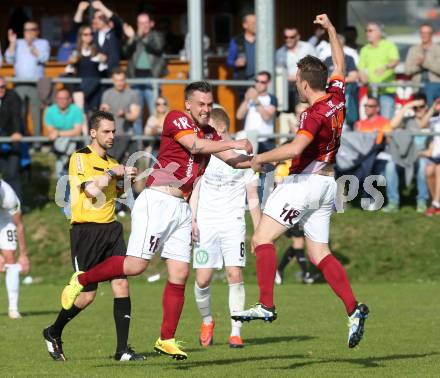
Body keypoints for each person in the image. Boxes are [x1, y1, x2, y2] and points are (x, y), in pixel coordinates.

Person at [59, 81, 253, 361]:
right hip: (157, 201)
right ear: (188, 104)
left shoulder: (210, 132)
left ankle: (166, 338)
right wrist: (234, 140)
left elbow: (235, 161)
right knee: (137, 265)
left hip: (182, 208)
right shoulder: (176, 117)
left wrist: (262, 159)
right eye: (201, 103)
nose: (206, 109)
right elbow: (195, 145)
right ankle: (82, 279)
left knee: (180, 274)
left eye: (210, 104)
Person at [231, 14, 369, 349]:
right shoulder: (337, 96)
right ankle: (353, 309)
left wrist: (258, 159)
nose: (295, 84)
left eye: (296, 80)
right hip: (326, 185)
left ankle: (266, 304)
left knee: (262, 239)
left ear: (305, 84)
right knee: (320, 252)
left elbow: (295, 147)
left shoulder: (312, 113)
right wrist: (332, 30)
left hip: (303, 184)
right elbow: (338, 61)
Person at [42, 111, 143, 362]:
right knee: (87, 296)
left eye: (113, 131)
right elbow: (88, 190)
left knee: (121, 283)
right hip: (86, 232)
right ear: (93, 133)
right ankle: (53, 332)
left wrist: (127, 180)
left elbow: (120, 196)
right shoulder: (80, 158)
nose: (111, 136)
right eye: (106, 131)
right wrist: (112, 174)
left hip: (111, 229)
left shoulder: (113, 161)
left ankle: (122, 350)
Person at [190, 108, 260, 349]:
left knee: (235, 275)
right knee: (202, 279)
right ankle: (207, 320)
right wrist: (192, 219)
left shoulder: (243, 155)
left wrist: (259, 231)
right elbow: (195, 189)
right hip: (206, 225)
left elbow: (252, 197)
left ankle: (235, 332)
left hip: (233, 224)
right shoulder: (205, 154)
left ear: (218, 128)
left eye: (207, 127)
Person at [385, 93, 432, 213]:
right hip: (405, 157)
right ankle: (393, 202)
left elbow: (430, 151)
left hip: (421, 157)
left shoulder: (432, 123)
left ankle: (422, 201)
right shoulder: (408, 121)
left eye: (421, 107)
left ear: (427, 107)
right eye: (416, 108)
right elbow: (393, 124)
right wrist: (408, 106)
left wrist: (416, 155)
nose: (418, 110)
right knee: (390, 166)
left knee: (422, 166)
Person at [122, 12, 167, 135]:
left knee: (155, 112)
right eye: (140, 23)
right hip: (135, 79)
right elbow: (125, 52)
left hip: (152, 79)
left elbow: (158, 47)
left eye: (145, 23)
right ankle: (138, 145)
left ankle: (156, 144)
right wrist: (133, 38)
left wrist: (143, 37)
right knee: (136, 114)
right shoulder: (134, 37)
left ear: (151, 24)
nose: (143, 26)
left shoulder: (157, 35)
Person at [5, 21, 50, 136]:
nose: (28, 32)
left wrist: (31, 46)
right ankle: (23, 138)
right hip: (20, 83)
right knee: (20, 112)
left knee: (36, 113)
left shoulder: (43, 43)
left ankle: (37, 142)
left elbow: (44, 58)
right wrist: (12, 43)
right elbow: (9, 59)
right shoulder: (18, 43)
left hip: (37, 83)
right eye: (26, 30)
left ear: (37, 31)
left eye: (32, 29)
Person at [0, 179, 29, 319]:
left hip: (5, 219)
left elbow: (19, 225)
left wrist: (23, 255)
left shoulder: (8, 196)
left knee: (9, 258)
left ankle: (13, 308)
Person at [358, 22, 399, 119]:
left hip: (386, 91)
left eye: (370, 31)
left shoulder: (389, 45)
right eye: (366, 31)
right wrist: (363, 77)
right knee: (372, 121)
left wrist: (385, 67)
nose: (367, 33)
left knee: (386, 122)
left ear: (379, 33)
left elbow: (395, 61)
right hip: (372, 92)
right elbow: (361, 68)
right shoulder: (365, 49)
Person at [100, 68, 141, 162]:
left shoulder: (133, 94)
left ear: (125, 79)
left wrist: (125, 115)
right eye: (117, 80)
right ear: (113, 80)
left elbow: (135, 115)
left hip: (126, 136)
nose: (120, 83)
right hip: (110, 136)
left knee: (126, 170)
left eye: (122, 80)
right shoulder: (107, 94)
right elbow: (101, 114)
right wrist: (103, 110)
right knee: (110, 166)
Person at [66, 25, 107, 113]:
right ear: (81, 36)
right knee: (82, 114)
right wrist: (70, 63)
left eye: (91, 34)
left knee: (93, 115)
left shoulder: (97, 50)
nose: (89, 36)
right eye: (86, 34)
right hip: (81, 86)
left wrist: (103, 61)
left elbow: (103, 71)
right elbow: (69, 71)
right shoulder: (76, 52)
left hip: (94, 89)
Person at [74, 1, 123, 75]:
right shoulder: (93, 34)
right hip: (98, 75)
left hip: (112, 74)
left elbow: (116, 20)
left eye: (100, 17)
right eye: (95, 18)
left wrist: (101, 7)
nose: (96, 20)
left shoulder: (115, 33)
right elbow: (78, 26)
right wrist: (80, 10)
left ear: (106, 19)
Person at [44, 88, 84, 178]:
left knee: (70, 143)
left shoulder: (76, 110)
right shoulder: (50, 111)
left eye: (64, 98)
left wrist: (58, 133)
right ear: (56, 99)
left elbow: (77, 131)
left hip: (73, 143)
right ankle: (65, 170)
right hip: (59, 143)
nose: (62, 101)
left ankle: (64, 172)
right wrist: (61, 134)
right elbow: (51, 131)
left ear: (69, 99)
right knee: (65, 144)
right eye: (59, 98)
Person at [236, 71, 278, 154]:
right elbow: (239, 116)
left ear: (268, 83)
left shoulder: (272, 99)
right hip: (249, 140)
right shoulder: (250, 98)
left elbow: (267, 117)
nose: (258, 84)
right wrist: (246, 99)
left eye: (262, 82)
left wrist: (256, 100)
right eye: (257, 81)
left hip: (265, 141)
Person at [276, 27, 317, 109]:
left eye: (292, 37)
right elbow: (280, 74)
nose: (288, 39)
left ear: (297, 37)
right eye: (286, 37)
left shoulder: (308, 47)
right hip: (288, 90)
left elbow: (317, 67)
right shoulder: (280, 53)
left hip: (308, 87)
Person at [405, 24, 440, 107]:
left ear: (431, 34)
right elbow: (407, 71)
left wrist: (425, 63)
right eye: (422, 33)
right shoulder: (413, 50)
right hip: (418, 88)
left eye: (427, 33)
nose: (424, 35)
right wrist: (419, 66)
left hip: (436, 89)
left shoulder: (438, 50)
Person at [0, 76, 23, 200]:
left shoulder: (12, 96)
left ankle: (16, 206)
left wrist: (16, 131)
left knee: (12, 173)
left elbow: (16, 116)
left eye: (3, 87)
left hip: (11, 138)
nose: (1, 90)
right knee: (6, 172)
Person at [227, 13, 256, 99]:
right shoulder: (236, 41)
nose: (257, 25)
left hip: (260, 81)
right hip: (243, 81)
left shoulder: (263, 39)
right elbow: (229, 61)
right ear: (245, 25)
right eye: (253, 23)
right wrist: (236, 63)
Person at [420, 98, 440, 215]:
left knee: (438, 168)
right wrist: (433, 108)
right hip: (437, 155)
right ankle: (436, 203)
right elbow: (422, 125)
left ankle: (435, 204)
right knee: (429, 170)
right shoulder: (435, 120)